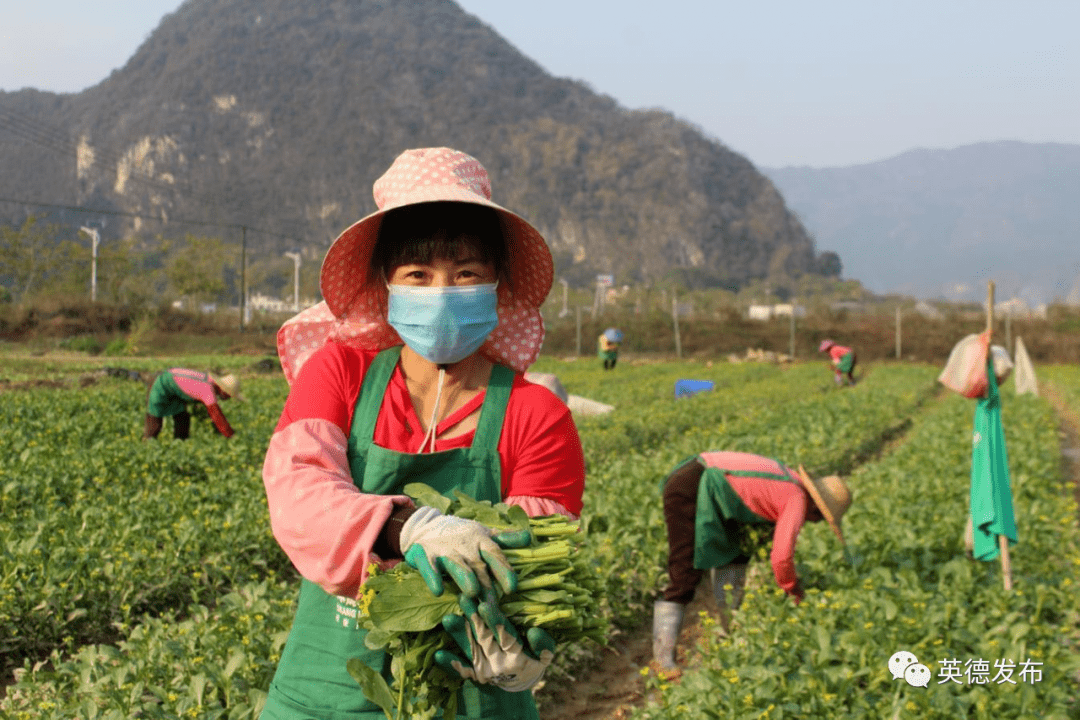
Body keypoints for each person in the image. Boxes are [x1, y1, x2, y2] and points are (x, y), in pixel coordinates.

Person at [262, 147, 587, 720]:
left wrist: (530, 652)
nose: (441, 292)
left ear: (496, 285)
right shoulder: (340, 373)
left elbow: (539, 564)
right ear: (386, 284)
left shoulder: (536, 414)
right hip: (326, 694)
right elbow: (298, 490)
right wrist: (405, 526)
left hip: (474, 692)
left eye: (466, 274)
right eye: (418, 274)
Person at [652, 451, 851, 674]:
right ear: (817, 507)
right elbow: (782, 557)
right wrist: (793, 591)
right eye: (820, 517)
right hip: (692, 485)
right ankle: (663, 661)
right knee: (684, 571)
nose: (814, 522)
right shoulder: (796, 498)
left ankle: (729, 634)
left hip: (702, 476)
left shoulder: (789, 477)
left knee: (735, 556)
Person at [142, 368, 241, 439]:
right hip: (162, 383)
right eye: (229, 395)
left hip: (175, 391)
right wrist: (230, 435)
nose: (228, 398)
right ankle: (147, 446)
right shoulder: (207, 390)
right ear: (223, 390)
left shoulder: (208, 381)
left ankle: (179, 446)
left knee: (183, 419)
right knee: (154, 423)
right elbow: (216, 415)